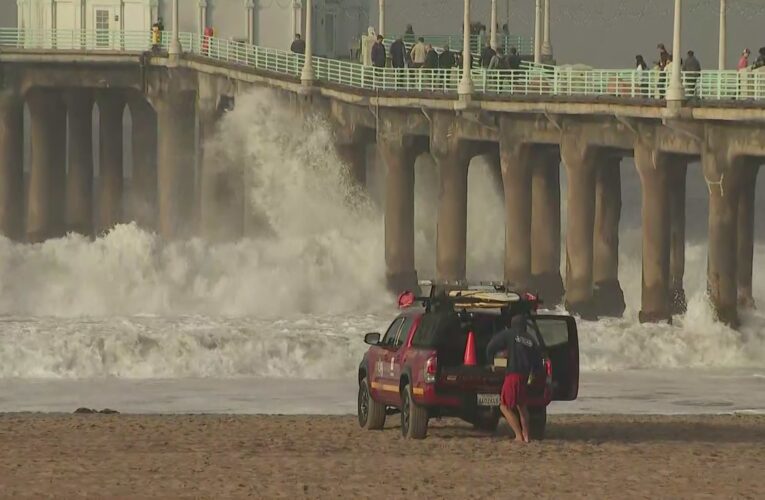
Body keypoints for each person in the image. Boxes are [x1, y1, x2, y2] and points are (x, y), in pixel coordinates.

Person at [486, 313, 541, 443]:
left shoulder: (509, 334)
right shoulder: (530, 339)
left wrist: (491, 362)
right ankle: (526, 436)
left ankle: (518, 435)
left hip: (512, 375)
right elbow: (537, 361)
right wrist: (534, 376)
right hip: (524, 376)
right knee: (522, 407)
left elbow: (491, 346)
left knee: (504, 406)